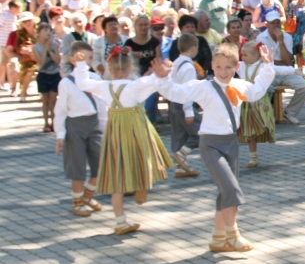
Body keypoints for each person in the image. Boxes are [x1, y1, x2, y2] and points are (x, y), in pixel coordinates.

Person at [159, 42, 277, 252]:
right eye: (219, 67)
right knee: (231, 189)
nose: (224, 72)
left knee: (225, 193)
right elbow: (176, 93)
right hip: (210, 144)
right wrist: (163, 76)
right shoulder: (203, 87)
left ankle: (217, 238)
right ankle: (233, 235)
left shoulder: (239, 86)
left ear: (237, 66)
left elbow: (257, 91)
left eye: (229, 67)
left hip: (231, 143)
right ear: (212, 65)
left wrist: (267, 67)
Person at [70, 48, 172, 233]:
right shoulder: (134, 86)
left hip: (115, 132)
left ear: (109, 66)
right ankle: (142, 185)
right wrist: (164, 73)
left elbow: (82, 82)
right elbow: (155, 82)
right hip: (135, 130)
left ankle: (120, 221)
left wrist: (80, 65)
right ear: (131, 66)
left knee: (117, 175)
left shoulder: (104, 86)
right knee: (144, 157)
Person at [55, 42, 107, 218]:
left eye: (89, 58)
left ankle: (88, 195)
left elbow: (102, 105)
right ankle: (77, 202)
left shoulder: (96, 79)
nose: (86, 62)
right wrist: (60, 134)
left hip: (94, 124)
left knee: (101, 163)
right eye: (81, 58)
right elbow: (60, 110)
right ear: (72, 60)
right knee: (77, 165)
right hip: (75, 126)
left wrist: (104, 126)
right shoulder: (66, 83)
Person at [254, 10, 305, 124]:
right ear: (267, 25)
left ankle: (290, 112)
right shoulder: (261, 38)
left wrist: (280, 41)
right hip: (270, 72)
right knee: (267, 88)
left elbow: (288, 61)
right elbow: (265, 62)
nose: (276, 25)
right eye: (273, 23)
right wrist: (277, 62)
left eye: (278, 22)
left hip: (286, 72)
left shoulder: (287, 37)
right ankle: (266, 115)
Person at [237, 42, 287, 168]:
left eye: (245, 55)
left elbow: (278, 70)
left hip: (260, 103)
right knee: (249, 130)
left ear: (255, 56)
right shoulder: (242, 66)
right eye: (242, 54)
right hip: (246, 103)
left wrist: (295, 70)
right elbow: (230, 64)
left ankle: (265, 128)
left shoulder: (261, 66)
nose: (242, 57)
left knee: (259, 124)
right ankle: (253, 157)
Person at [166, 33, 204, 178]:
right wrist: (189, 111)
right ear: (194, 48)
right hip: (183, 103)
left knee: (179, 135)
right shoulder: (188, 67)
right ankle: (180, 154)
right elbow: (188, 89)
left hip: (175, 102)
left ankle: (180, 168)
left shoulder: (177, 62)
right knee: (202, 131)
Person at [123, 15, 162, 124]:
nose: (143, 27)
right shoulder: (129, 43)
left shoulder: (154, 42)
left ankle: (152, 124)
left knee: (150, 102)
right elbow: (126, 61)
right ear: (135, 26)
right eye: (140, 25)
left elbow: (158, 60)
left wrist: (147, 74)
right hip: (133, 76)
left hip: (151, 74)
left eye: (145, 24)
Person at [33, 24, 62, 132]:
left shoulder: (54, 45)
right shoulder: (35, 48)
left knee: (53, 100)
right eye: (45, 30)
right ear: (39, 33)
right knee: (45, 100)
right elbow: (42, 63)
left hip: (55, 75)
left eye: (49, 30)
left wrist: (50, 50)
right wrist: (45, 49)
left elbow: (58, 61)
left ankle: (54, 122)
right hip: (43, 75)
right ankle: (46, 123)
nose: (47, 32)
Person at [10, 12, 37, 102]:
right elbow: (20, 50)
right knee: (29, 71)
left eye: (29, 20)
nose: (27, 23)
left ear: (33, 21)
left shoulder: (40, 31)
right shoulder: (19, 35)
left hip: (42, 57)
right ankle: (23, 93)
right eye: (24, 21)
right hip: (28, 59)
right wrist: (30, 52)